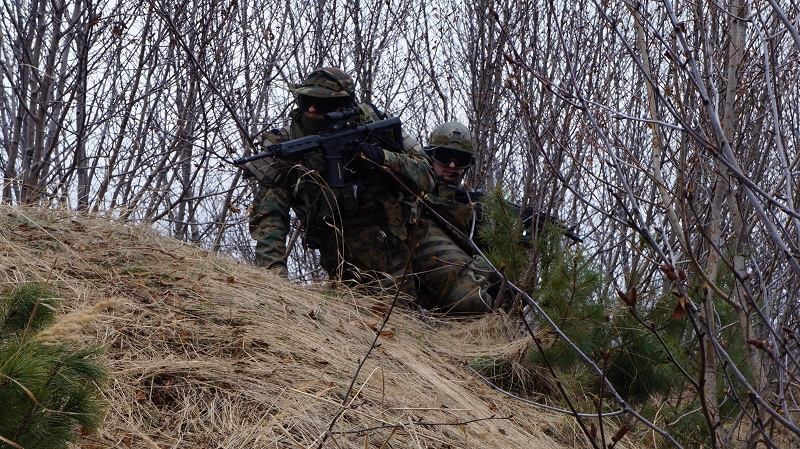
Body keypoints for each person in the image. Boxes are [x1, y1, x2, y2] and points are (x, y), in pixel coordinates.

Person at [243, 67, 433, 298]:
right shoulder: (287, 144)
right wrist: (275, 281)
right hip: (338, 261)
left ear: (344, 106)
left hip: (391, 252)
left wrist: (381, 157)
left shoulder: (373, 125)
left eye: (321, 105)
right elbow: (268, 216)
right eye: (305, 101)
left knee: (400, 321)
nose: (311, 110)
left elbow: (427, 176)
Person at [411, 122, 495, 314]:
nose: (452, 165)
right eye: (444, 157)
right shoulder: (413, 183)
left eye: (461, 160)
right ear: (430, 156)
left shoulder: (470, 203)